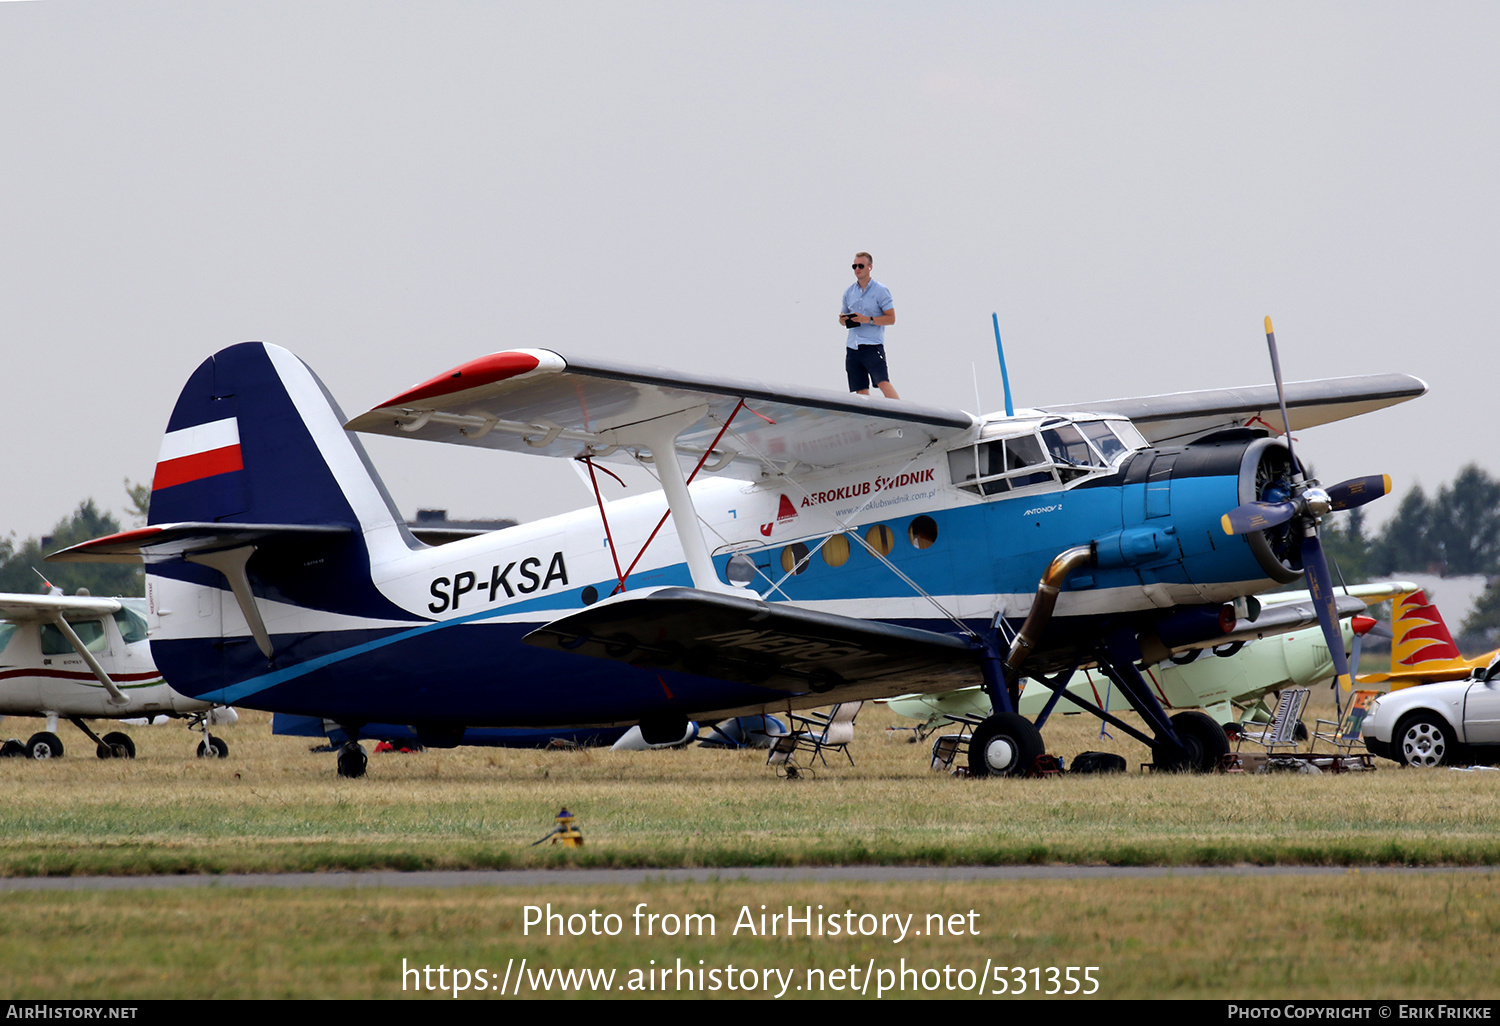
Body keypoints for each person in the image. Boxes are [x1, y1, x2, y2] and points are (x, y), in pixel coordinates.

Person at [838, 252, 899, 398]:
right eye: (854, 266)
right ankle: (870, 419)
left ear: (870, 267)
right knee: (860, 390)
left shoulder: (880, 290)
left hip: (872, 345)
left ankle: (904, 414)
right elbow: (841, 317)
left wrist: (868, 319)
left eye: (861, 266)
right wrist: (843, 319)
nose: (857, 269)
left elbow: (891, 319)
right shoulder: (849, 292)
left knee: (883, 382)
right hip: (853, 347)